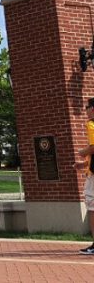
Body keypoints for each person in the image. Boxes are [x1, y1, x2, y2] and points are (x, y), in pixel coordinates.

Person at [76, 98, 94, 254]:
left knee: (92, 207)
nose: (85, 110)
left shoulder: (91, 124)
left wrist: (82, 152)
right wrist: (84, 164)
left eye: (87, 107)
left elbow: (93, 147)